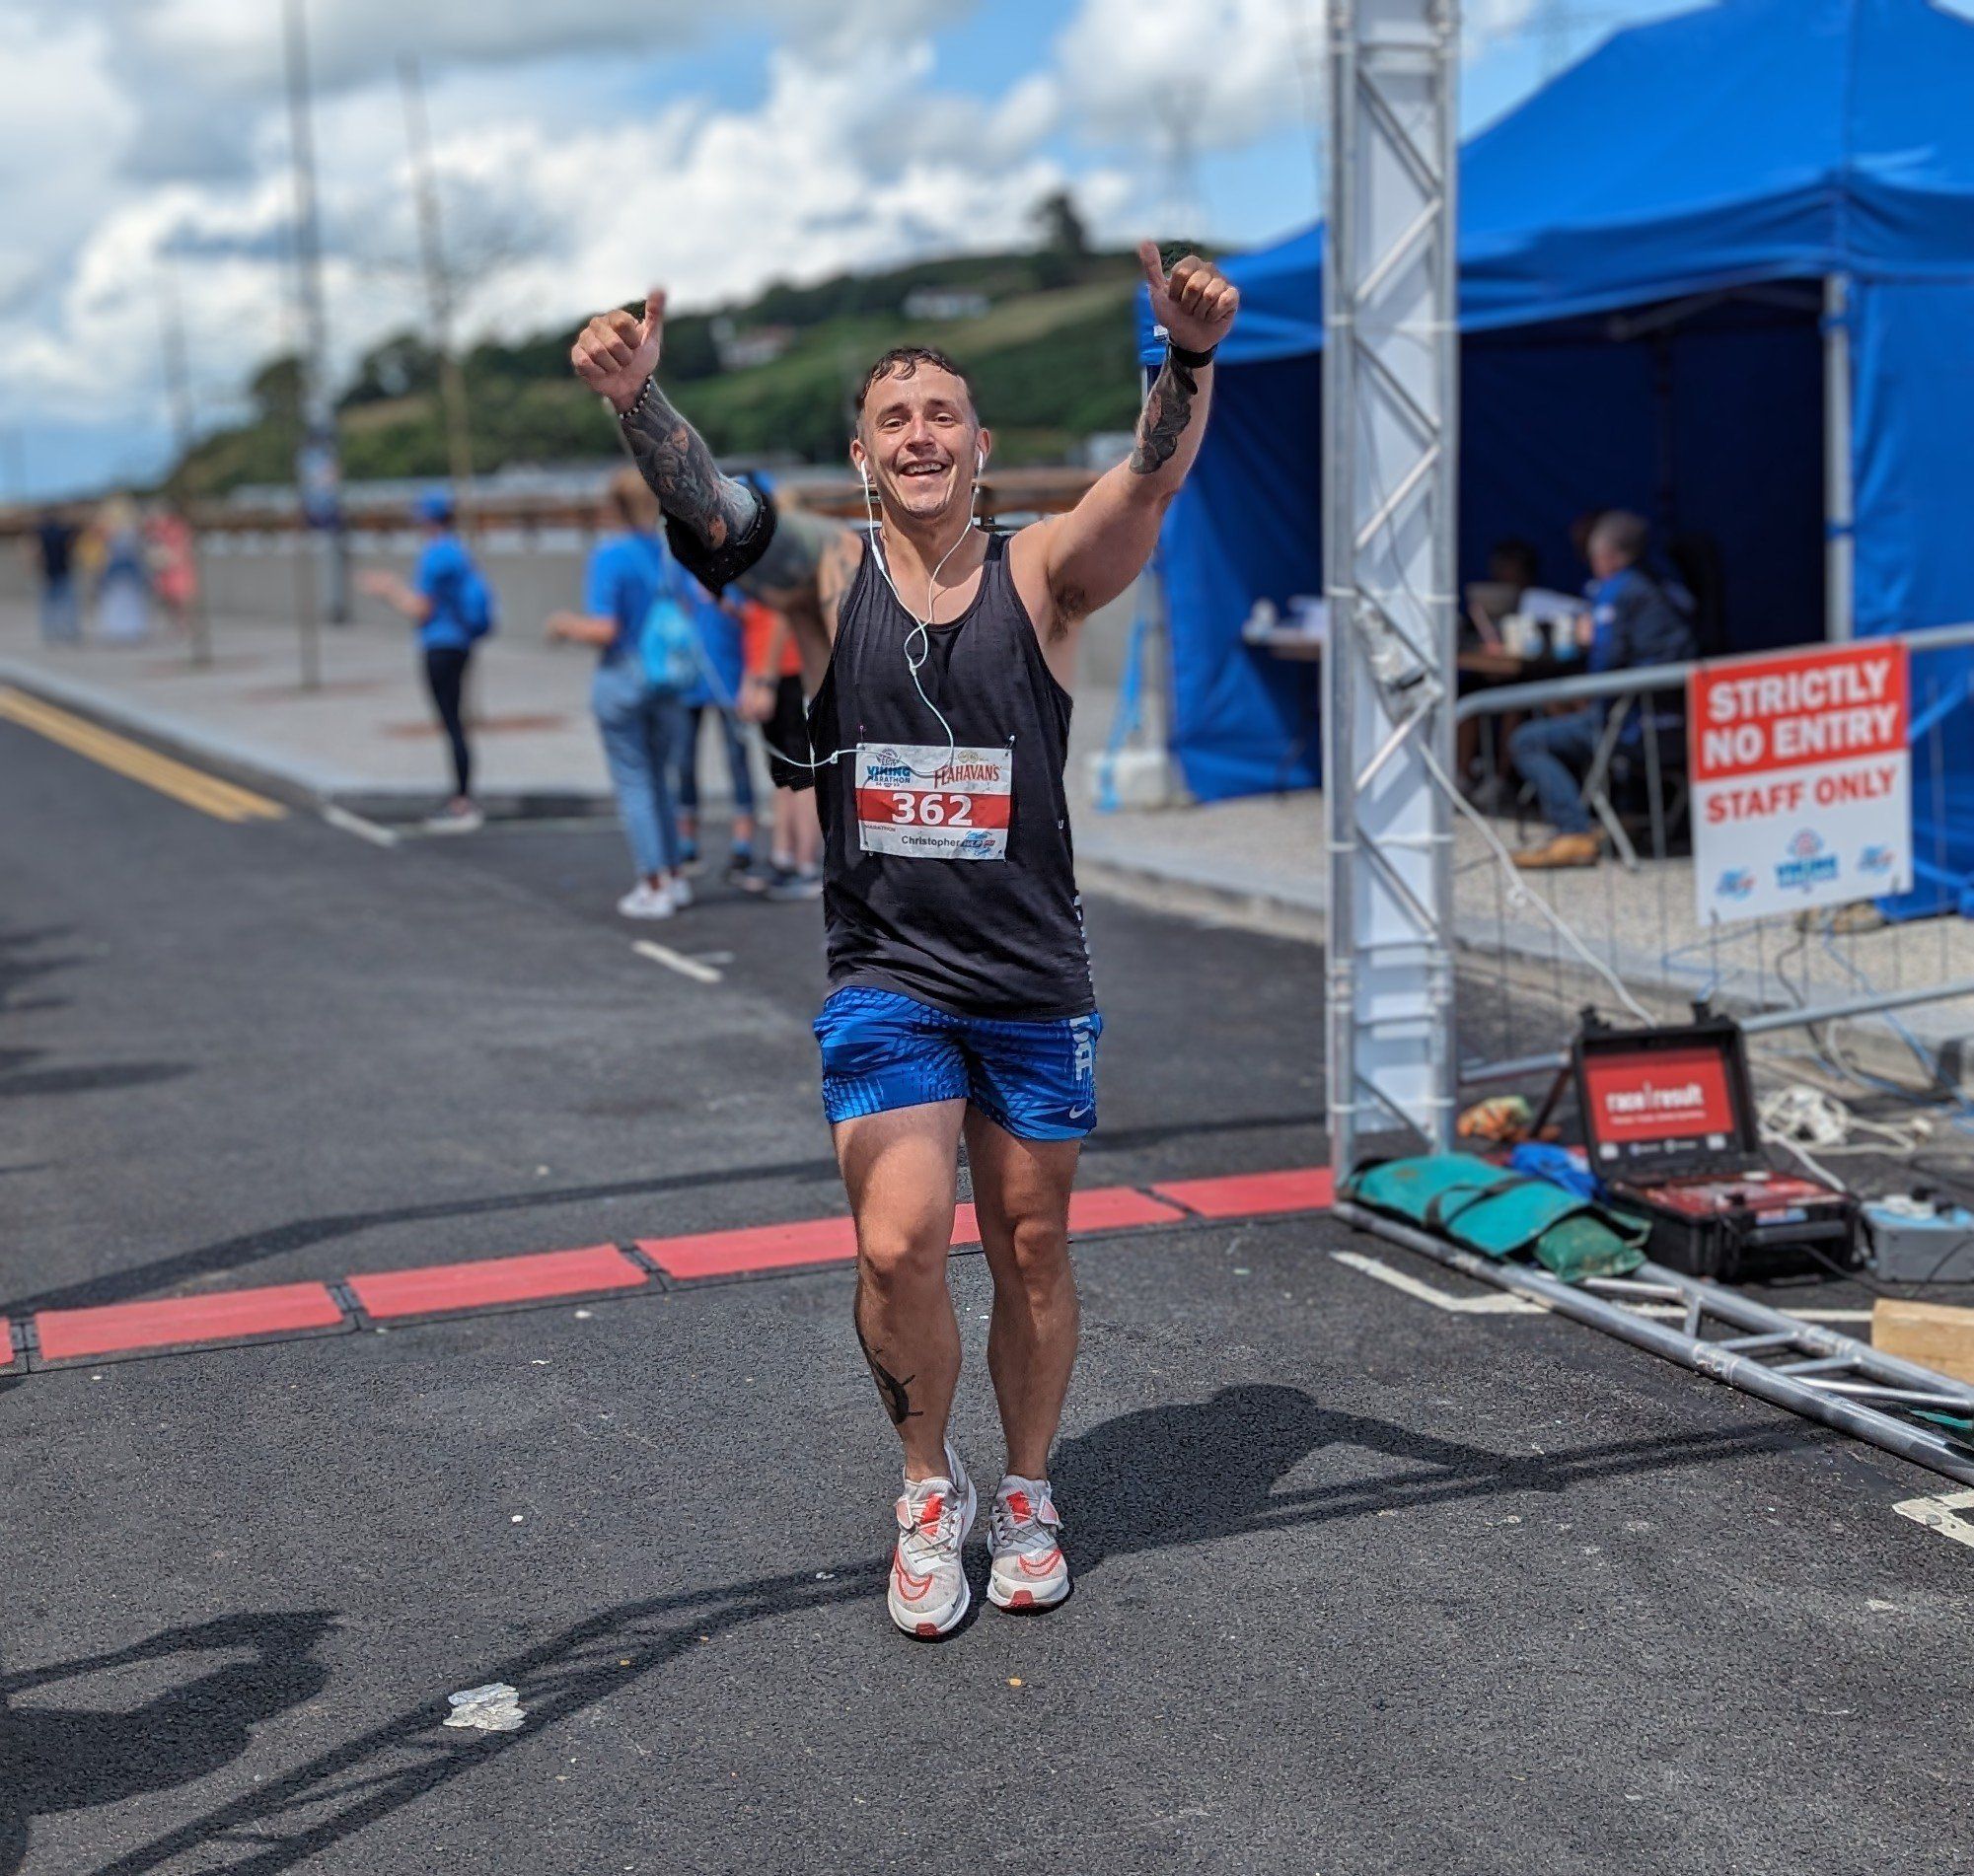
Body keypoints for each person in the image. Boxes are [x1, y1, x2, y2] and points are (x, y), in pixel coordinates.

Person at [572, 243, 1238, 1636]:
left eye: (943, 414)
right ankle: (929, 1487)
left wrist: (1183, 361)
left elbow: (1149, 479)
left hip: (1030, 977)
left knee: (1034, 1239)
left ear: (980, 447)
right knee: (898, 1244)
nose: (920, 434)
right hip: (887, 977)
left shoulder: (1041, 568)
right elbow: (716, 513)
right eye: (894, 419)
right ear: (863, 454)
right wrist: (640, 399)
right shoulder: (828, 573)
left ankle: (1032, 1489)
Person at [1509, 508, 1697, 869]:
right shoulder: (1668, 585)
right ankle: (1628, 811)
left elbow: (1604, 667)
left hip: (1634, 730)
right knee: (1588, 718)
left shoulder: (1617, 591)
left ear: (1607, 556)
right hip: (1682, 727)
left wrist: (1588, 640)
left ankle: (1573, 831)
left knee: (1528, 740)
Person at [545, 469, 694, 918]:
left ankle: (654, 883)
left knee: (634, 784)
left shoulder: (610, 555)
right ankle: (674, 873)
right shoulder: (668, 553)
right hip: (666, 678)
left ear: (612, 507)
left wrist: (564, 625)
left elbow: (605, 628)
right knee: (660, 781)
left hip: (624, 679)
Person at [357, 489, 493, 832]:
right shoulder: (457, 550)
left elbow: (420, 607)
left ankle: (462, 800)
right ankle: (461, 796)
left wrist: (388, 589)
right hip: (459, 643)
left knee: (452, 724)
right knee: (455, 722)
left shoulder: (435, 556)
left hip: (440, 645)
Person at [736, 596, 824, 900]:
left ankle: (805, 865)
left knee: (801, 774)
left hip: (791, 673)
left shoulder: (773, 558)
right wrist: (752, 679)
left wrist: (766, 681)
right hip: (771, 673)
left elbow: (783, 615)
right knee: (782, 772)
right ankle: (783, 856)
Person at [674, 585, 759, 882]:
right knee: (683, 761)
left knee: (737, 760)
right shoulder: (678, 565)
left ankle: (742, 845)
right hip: (687, 681)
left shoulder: (736, 564)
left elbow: (752, 616)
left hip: (730, 679)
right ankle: (686, 845)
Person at [94, 497, 151, 644]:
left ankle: (123, 630)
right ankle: (125, 630)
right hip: (123, 571)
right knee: (126, 601)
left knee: (122, 601)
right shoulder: (127, 530)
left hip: (122, 571)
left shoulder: (118, 531)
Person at [31, 510, 80, 644]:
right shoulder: (62, 532)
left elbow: (36, 553)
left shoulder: (42, 533)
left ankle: (51, 633)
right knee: (66, 606)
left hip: (50, 573)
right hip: (62, 572)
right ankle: (68, 632)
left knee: (50, 607)